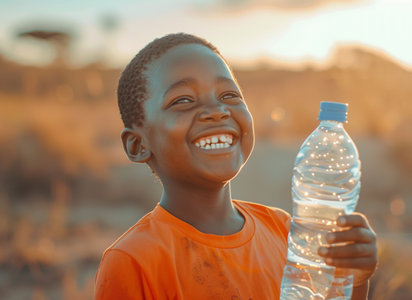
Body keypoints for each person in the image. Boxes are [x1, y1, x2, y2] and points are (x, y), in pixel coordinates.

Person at [94, 33, 378, 300]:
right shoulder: (133, 260)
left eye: (229, 95)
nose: (217, 111)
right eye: (183, 100)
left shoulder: (284, 231)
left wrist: (353, 280)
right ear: (137, 145)